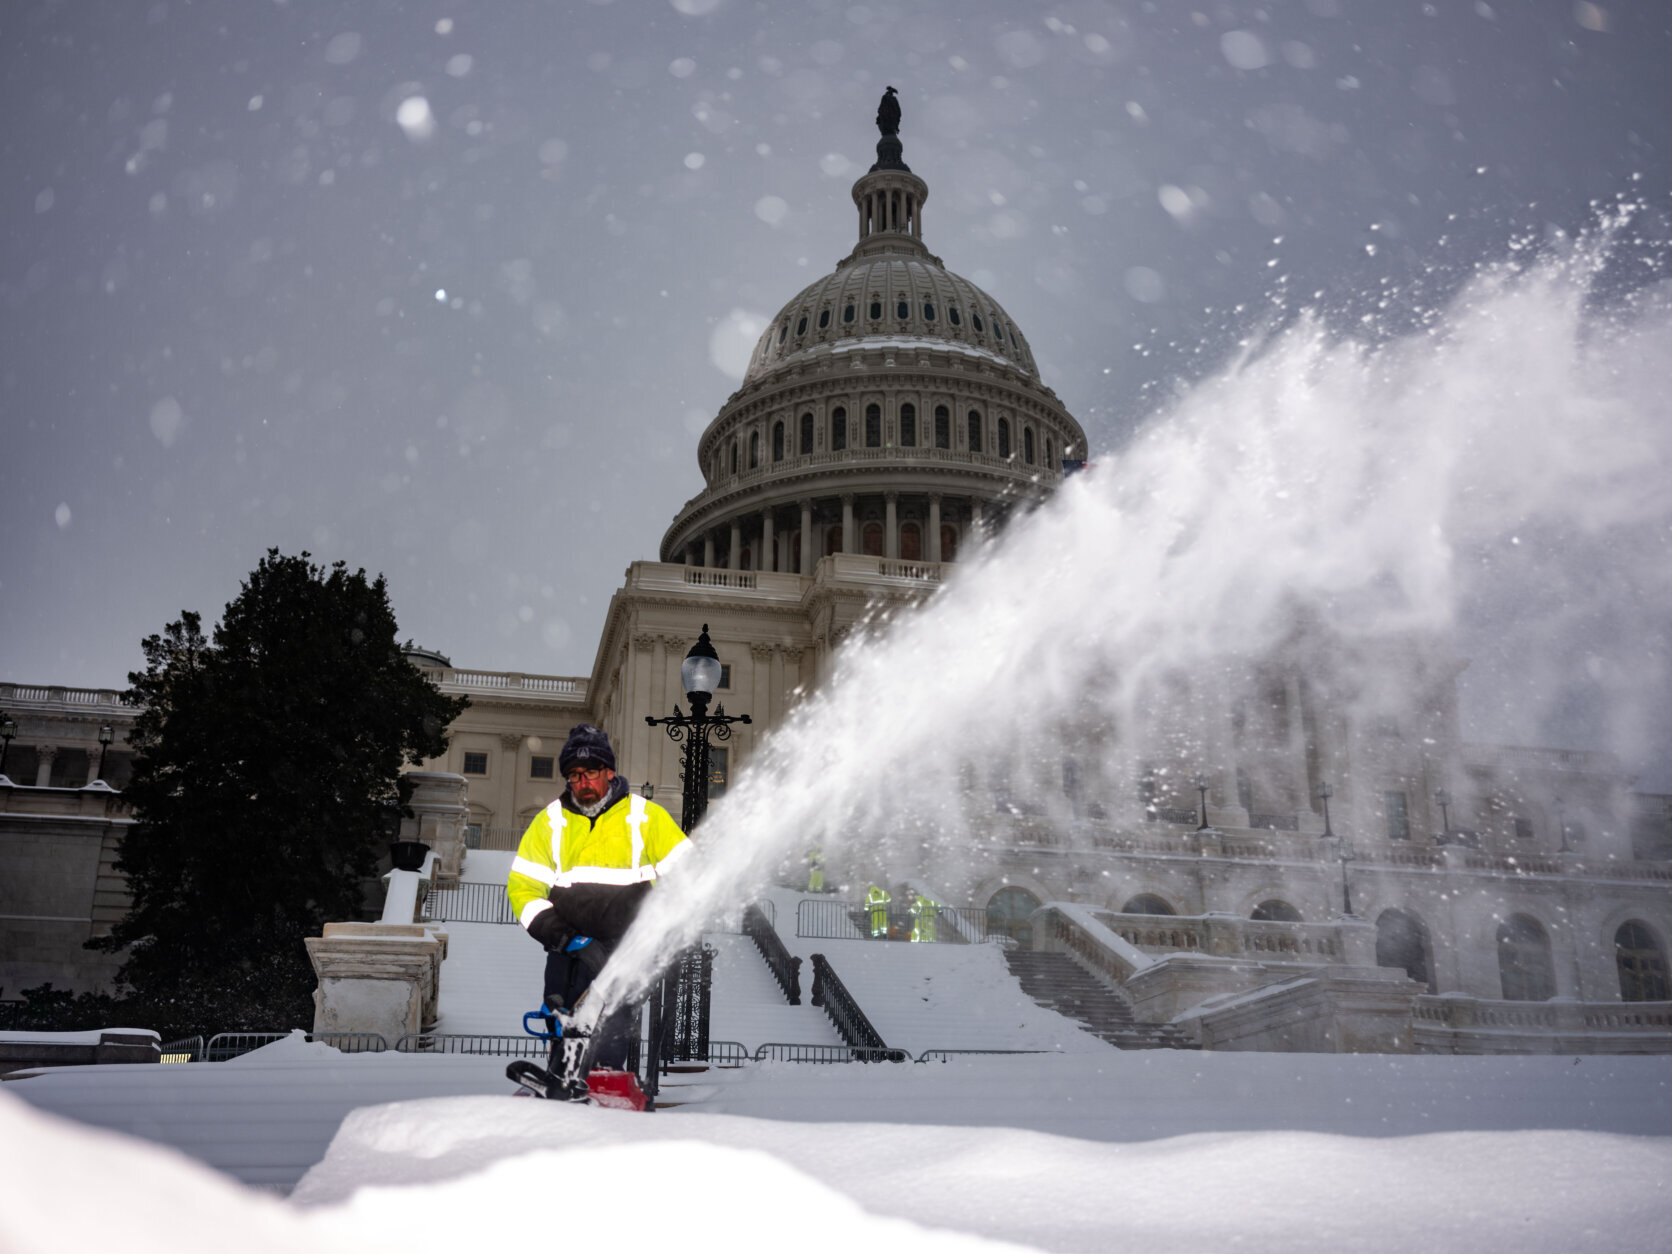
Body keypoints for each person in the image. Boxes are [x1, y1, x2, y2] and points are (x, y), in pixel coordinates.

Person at [506, 724, 690, 1070]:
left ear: (609, 772)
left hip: (625, 951)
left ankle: (604, 1089)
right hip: (568, 953)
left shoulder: (646, 818)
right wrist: (567, 938)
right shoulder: (550, 823)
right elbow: (523, 890)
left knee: (610, 1037)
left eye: (590, 772)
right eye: (574, 775)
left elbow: (688, 875)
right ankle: (562, 1085)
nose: (582, 782)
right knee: (564, 1031)